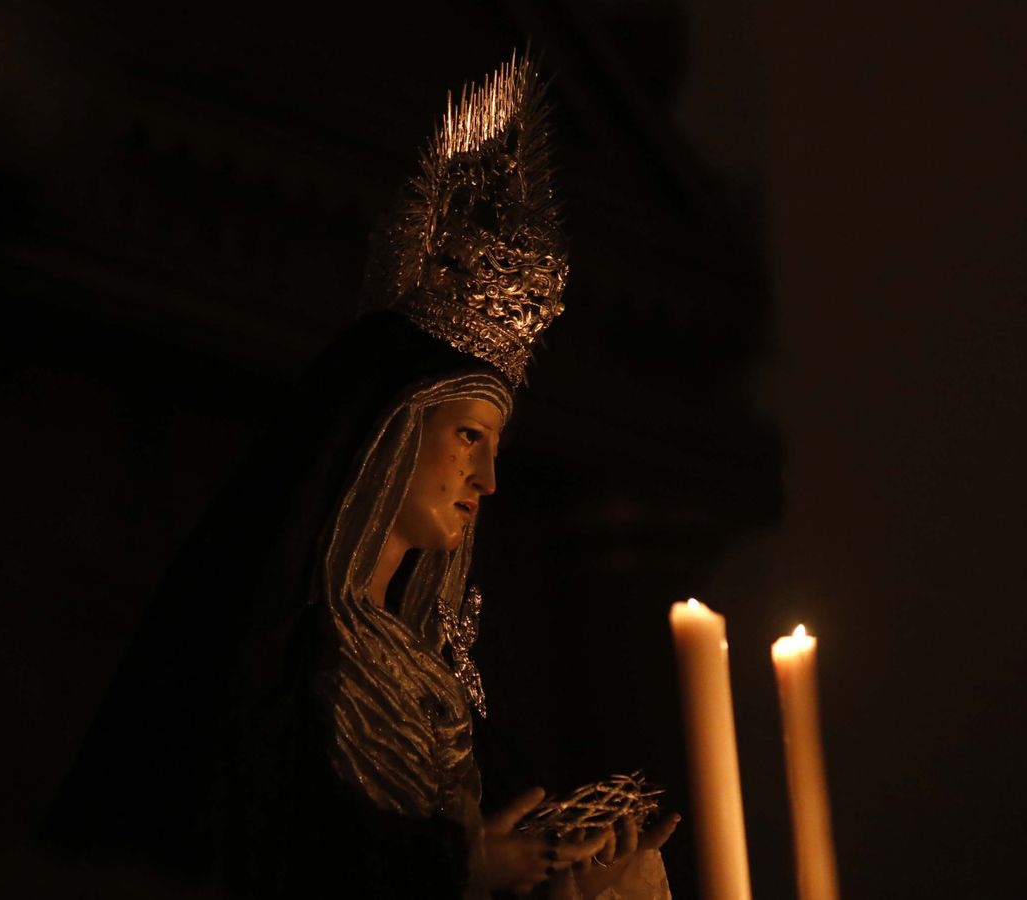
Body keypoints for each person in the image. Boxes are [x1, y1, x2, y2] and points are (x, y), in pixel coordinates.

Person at [43, 54, 676, 898]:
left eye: (496, 445)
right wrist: (459, 868)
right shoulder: (276, 656)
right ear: (387, 433)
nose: (487, 480)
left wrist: (576, 866)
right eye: (467, 434)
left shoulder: (436, 671)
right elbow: (237, 858)